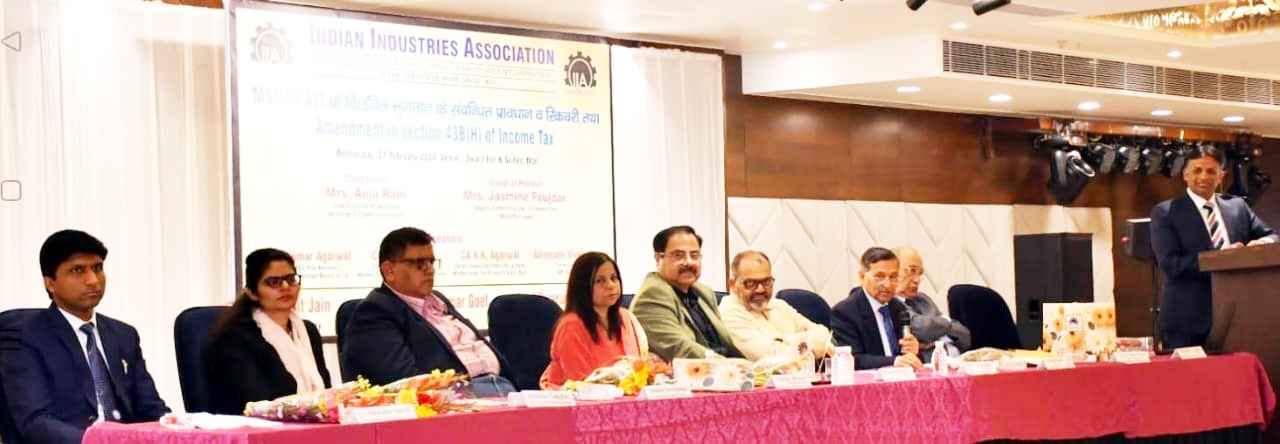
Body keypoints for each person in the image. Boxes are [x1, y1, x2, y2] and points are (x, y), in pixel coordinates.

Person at [0, 230, 168, 444]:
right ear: (50, 283)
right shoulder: (24, 337)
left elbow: (151, 409)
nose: (93, 280)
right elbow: (35, 423)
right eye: (77, 270)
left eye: (97, 268)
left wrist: (181, 430)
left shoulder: (123, 335)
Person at [340, 227, 516, 396]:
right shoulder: (374, 313)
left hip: (506, 389)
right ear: (389, 271)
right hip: (460, 399)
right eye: (419, 263)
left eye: (431, 262)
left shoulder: (438, 300)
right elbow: (404, 382)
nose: (429, 269)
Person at [1151, 146, 1277, 349]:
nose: (1204, 177)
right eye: (1197, 170)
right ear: (1185, 175)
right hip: (1186, 321)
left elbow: (1272, 236)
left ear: (1221, 176)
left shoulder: (1237, 207)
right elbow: (1171, 265)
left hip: (1236, 317)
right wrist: (1221, 259)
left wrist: (1258, 245)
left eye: (1211, 171)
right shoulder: (1166, 212)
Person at [203, 248, 331, 415]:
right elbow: (255, 401)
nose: (285, 286)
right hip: (257, 426)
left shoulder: (308, 332)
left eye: (291, 279)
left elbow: (327, 392)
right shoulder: (234, 338)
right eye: (273, 282)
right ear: (252, 293)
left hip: (312, 424)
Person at [631, 225, 742, 361]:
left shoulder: (704, 292)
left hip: (724, 368)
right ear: (659, 259)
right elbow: (679, 349)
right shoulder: (652, 295)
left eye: (694, 255)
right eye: (678, 255)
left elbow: (725, 343)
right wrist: (730, 365)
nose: (689, 262)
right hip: (693, 370)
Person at [540, 252, 649, 388]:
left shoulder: (626, 318)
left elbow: (641, 367)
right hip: (575, 397)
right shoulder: (571, 326)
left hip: (625, 395)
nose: (610, 285)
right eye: (599, 281)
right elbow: (580, 383)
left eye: (614, 278)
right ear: (582, 286)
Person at [719, 250, 832, 361]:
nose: (760, 289)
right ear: (732, 284)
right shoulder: (728, 314)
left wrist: (785, 340)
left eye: (766, 282)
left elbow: (825, 335)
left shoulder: (779, 305)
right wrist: (805, 340)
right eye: (751, 283)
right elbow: (776, 358)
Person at [830, 247, 923, 370]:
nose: (887, 284)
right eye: (879, 276)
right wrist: (894, 361)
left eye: (893, 277)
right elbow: (853, 358)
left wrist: (914, 351)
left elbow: (908, 358)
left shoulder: (898, 308)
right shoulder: (845, 312)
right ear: (862, 277)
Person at [894, 247, 971, 358]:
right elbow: (922, 328)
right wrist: (947, 324)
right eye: (912, 271)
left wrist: (928, 343)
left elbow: (964, 336)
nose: (917, 280)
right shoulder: (889, 303)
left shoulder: (922, 299)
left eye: (920, 273)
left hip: (951, 361)